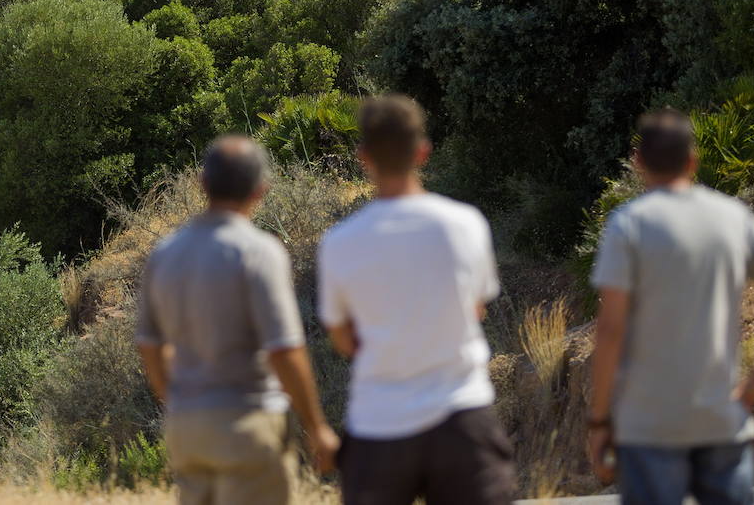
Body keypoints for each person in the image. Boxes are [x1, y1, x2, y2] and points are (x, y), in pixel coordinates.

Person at [587, 109, 754, 505]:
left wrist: (599, 420)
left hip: (649, 425)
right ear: (693, 160)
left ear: (638, 161)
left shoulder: (628, 225)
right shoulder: (731, 217)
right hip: (720, 421)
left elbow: (611, 330)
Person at [317, 94, 514, 505]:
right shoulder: (466, 224)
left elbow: (341, 338)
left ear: (364, 156)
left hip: (379, 423)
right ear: (422, 152)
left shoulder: (340, 242)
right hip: (462, 417)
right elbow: (475, 309)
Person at [136, 135, 339, 505]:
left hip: (187, 429)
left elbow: (149, 345)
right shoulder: (259, 252)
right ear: (260, 190)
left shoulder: (164, 254)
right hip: (247, 422)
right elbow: (284, 349)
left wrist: (177, 399)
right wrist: (316, 426)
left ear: (202, 184)